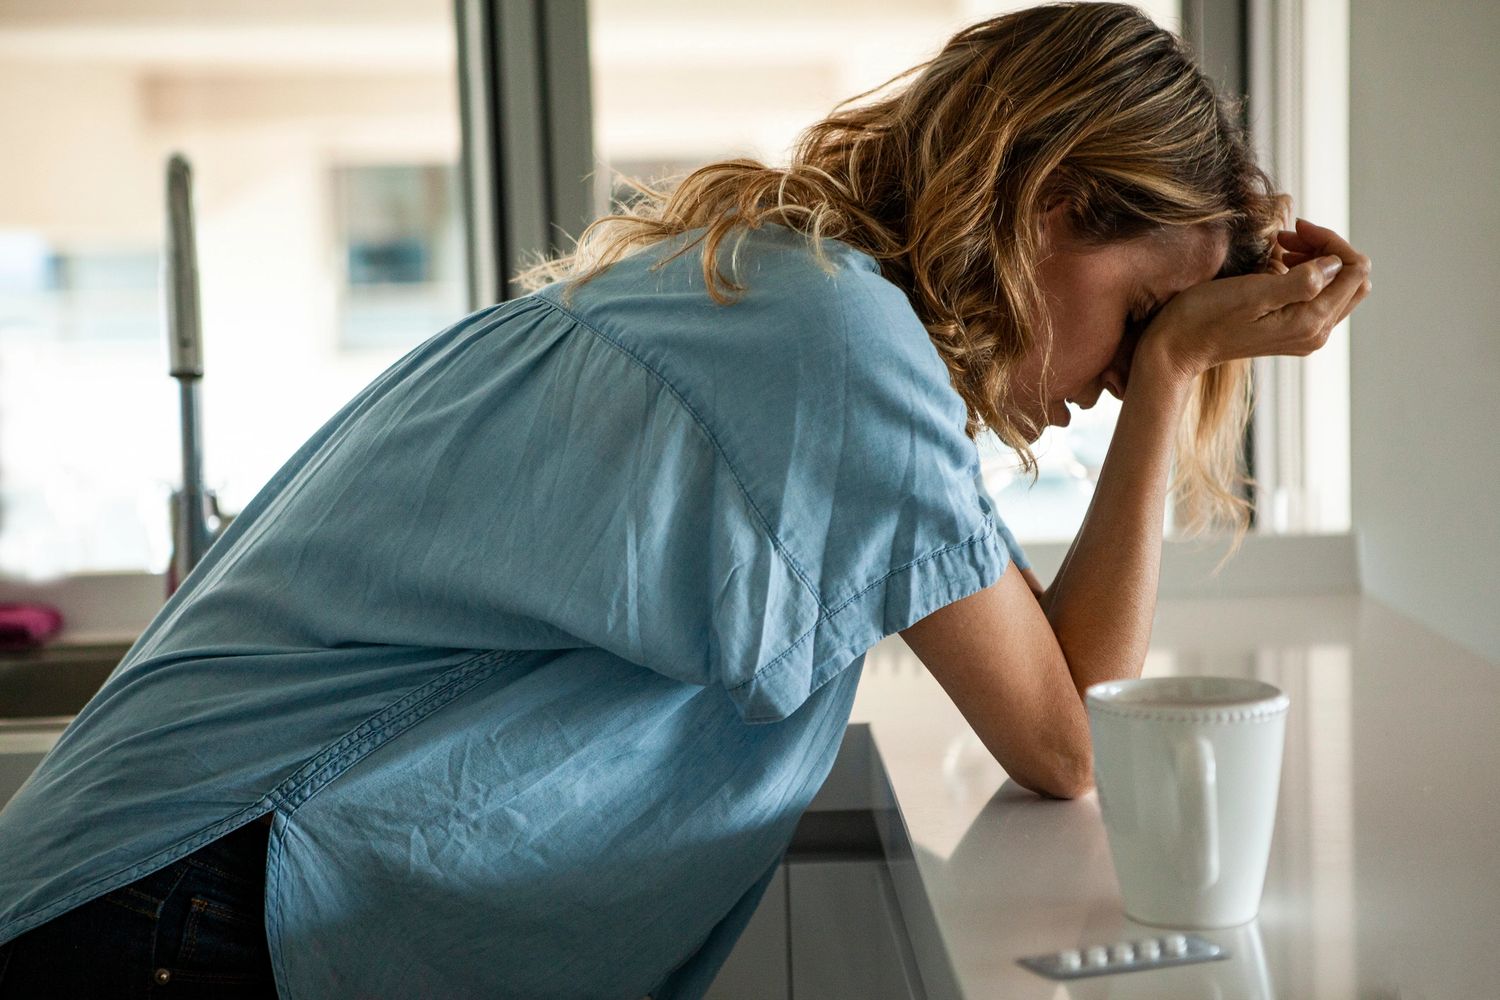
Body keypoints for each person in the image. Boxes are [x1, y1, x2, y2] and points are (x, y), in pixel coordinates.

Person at [0, 3, 1371, 997]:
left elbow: (1064, 700)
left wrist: (1173, 330)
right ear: (1055, 207)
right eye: (1133, 323)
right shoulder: (837, 349)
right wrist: (1192, 356)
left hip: (169, 894)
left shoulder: (794, 296)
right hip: (182, 905)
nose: (1122, 385)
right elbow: (1072, 739)